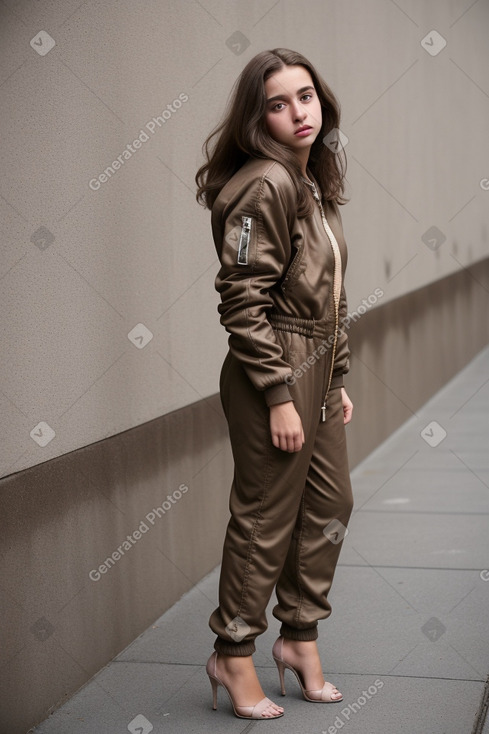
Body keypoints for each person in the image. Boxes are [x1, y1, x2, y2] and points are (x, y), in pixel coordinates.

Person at [195, 47, 354, 721]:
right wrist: (280, 393)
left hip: (313, 365)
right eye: (279, 102)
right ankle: (232, 656)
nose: (299, 112)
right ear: (256, 117)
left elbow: (330, 295)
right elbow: (242, 298)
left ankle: (298, 640)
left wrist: (334, 378)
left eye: (306, 96)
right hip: (273, 368)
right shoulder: (266, 183)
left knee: (328, 506)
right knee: (265, 518)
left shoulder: (308, 179)